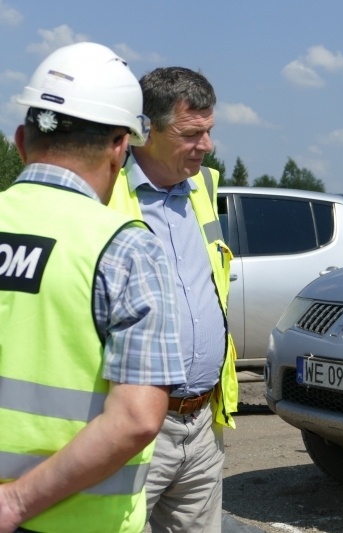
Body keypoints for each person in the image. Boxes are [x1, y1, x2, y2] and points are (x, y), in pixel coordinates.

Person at [0, 42, 185, 533]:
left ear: (21, 140)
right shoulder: (124, 248)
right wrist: (15, 502)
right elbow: (138, 418)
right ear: (121, 148)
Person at [107, 66, 238, 532]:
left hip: (202, 420)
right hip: (133, 423)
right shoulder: (106, 195)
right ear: (145, 130)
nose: (206, 145)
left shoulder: (203, 188)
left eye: (209, 131)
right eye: (191, 133)